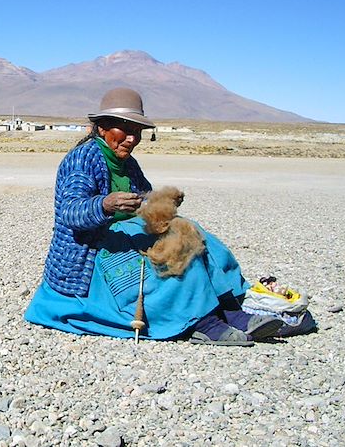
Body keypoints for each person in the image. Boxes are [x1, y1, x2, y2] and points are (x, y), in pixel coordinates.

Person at [24, 88, 284, 345]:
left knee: (189, 230)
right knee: (173, 252)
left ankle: (230, 308)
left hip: (122, 235)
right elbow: (69, 211)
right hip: (90, 250)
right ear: (102, 128)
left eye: (136, 132)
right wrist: (104, 204)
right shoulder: (83, 158)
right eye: (124, 130)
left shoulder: (127, 162)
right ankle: (202, 322)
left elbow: (143, 197)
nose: (131, 139)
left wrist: (162, 201)